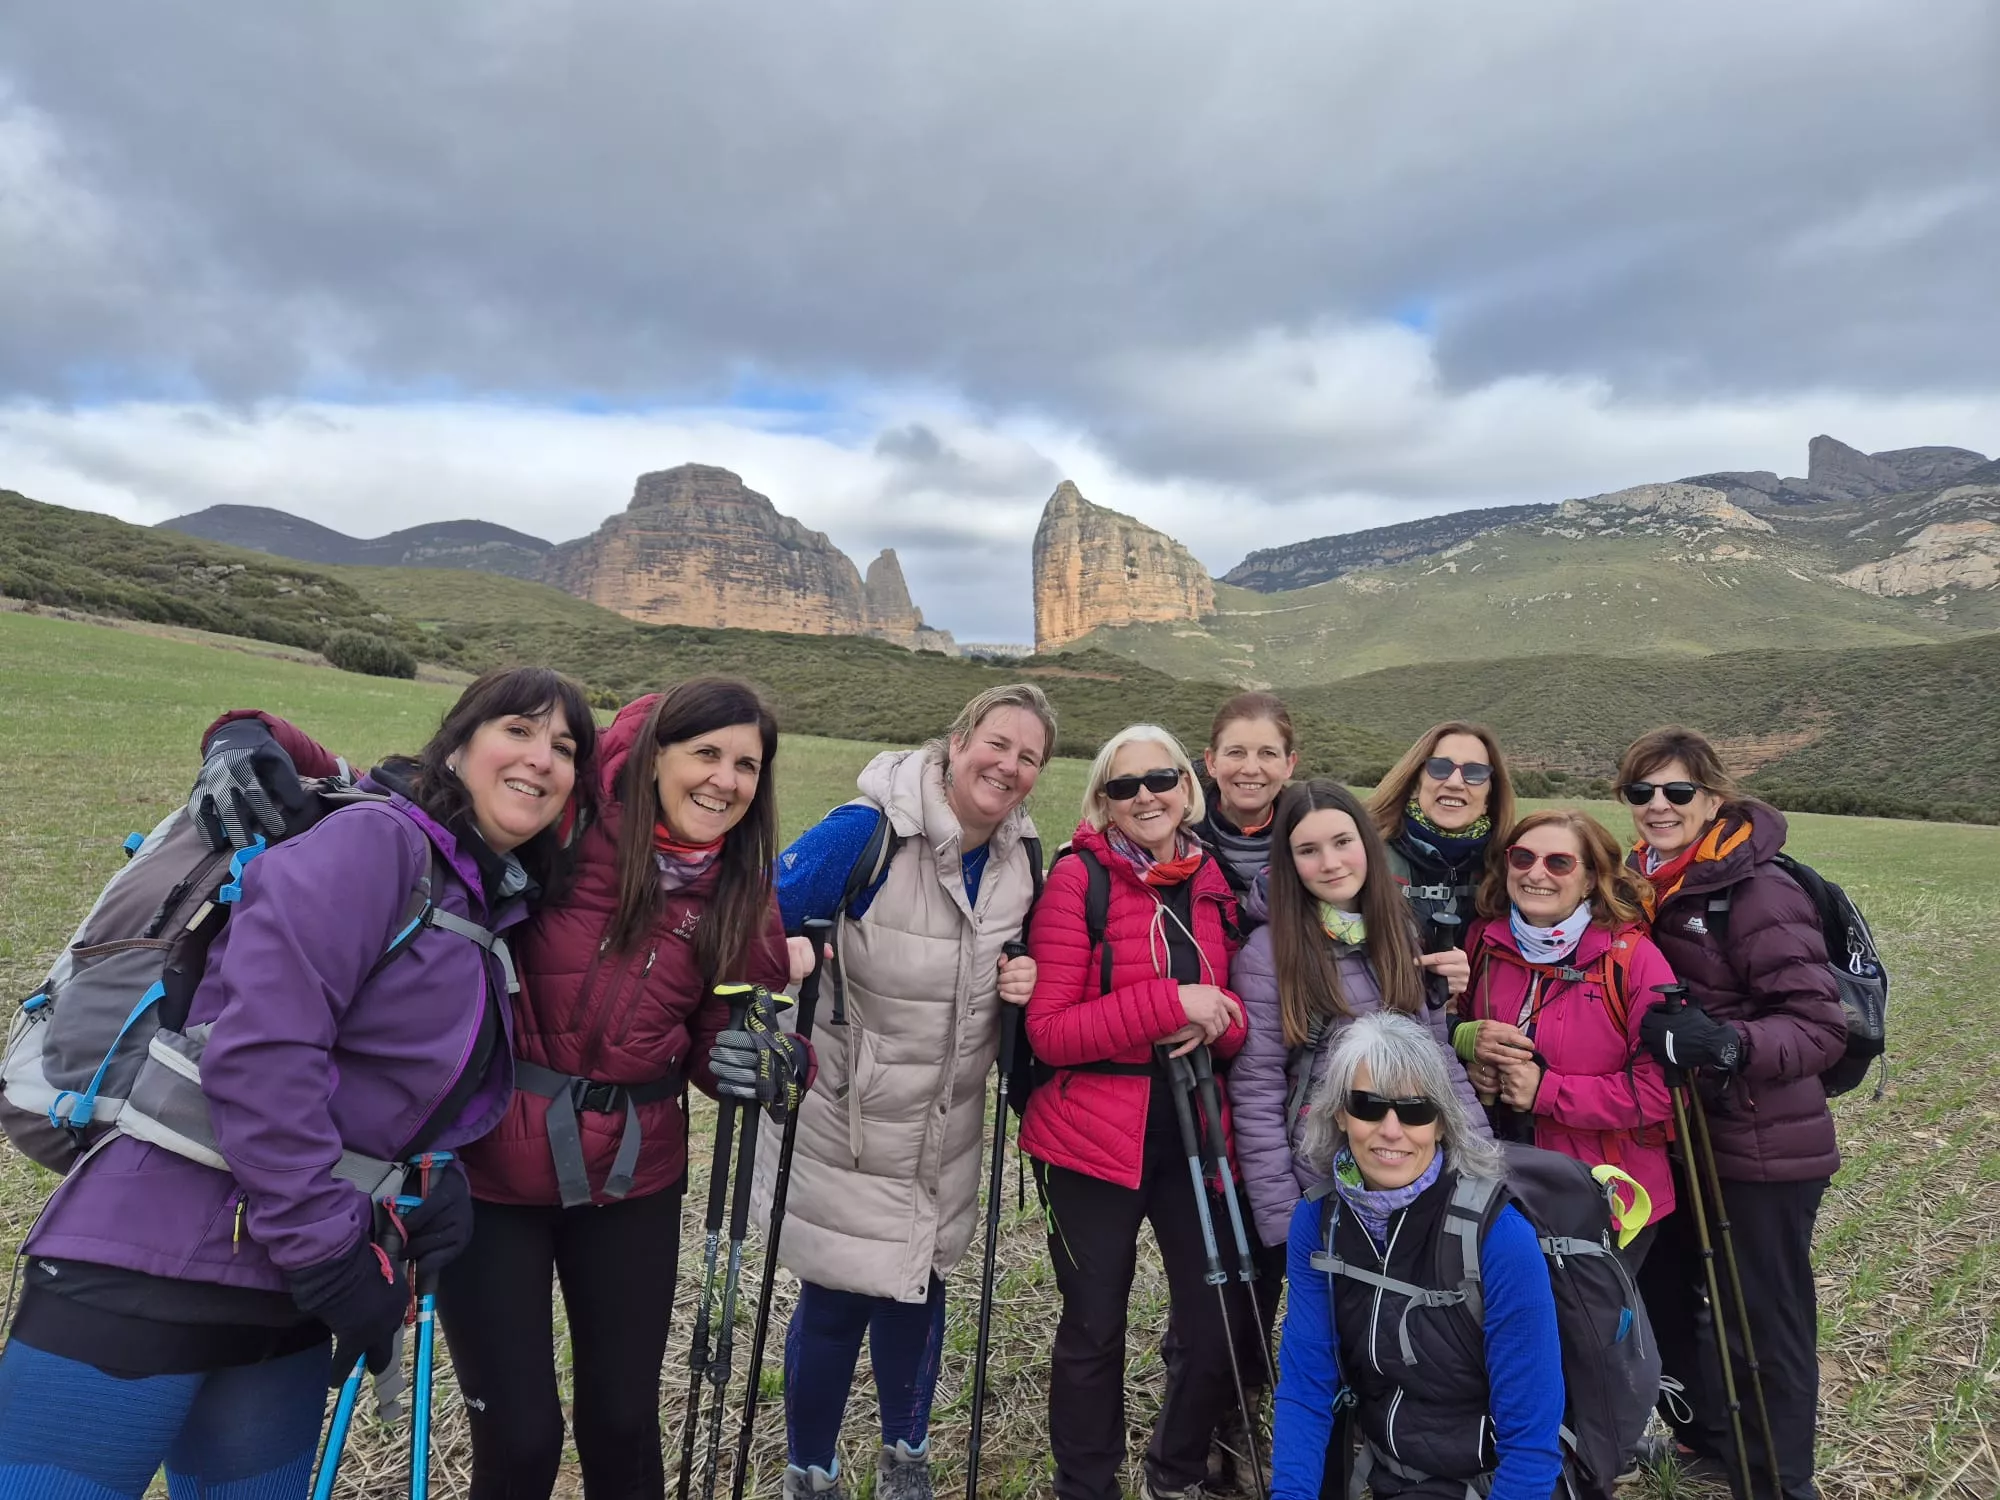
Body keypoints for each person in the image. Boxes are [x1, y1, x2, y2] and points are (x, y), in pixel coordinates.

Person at [183, 677, 810, 1500]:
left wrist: (774, 1062)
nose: (725, 780)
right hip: (487, 1175)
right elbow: (401, 784)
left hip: (635, 1178)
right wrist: (244, 730)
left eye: (747, 765)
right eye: (706, 754)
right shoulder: (564, 813)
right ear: (656, 754)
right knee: (520, 1436)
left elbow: (731, 1030)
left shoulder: (741, 885)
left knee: (623, 1426)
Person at [0, 667, 596, 1500]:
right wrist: (328, 1251)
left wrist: (427, 1183)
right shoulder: (379, 844)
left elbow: (389, 1088)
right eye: (519, 730)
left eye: (566, 747)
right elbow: (263, 1052)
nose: (542, 758)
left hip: (282, 1287)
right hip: (154, 1259)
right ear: (458, 744)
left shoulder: (477, 899)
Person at [762, 684, 1056, 1500]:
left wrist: (1025, 977)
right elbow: (755, 919)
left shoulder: (1020, 861)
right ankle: (810, 1474)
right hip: (847, 1121)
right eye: (996, 744)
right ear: (957, 742)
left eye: (1028, 756)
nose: (1008, 765)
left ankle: (907, 1457)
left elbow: (1018, 968)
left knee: (918, 1295)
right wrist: (782, 959)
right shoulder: (865, 834)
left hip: (946, 1126)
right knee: (834, 1302)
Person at [1018, 723, 1252, 1500]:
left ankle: (1175, 1469)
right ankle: (1086, 1484)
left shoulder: (1214, 879)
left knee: (1217, 1320)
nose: (1145, 796)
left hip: (1194, 1133)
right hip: (1089, 1140)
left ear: (1189, 786)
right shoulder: (1077, 882)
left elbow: (1239, 1010)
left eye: (1161, 779)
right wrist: (1166, 1003)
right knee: (1093, 1327)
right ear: (1104, 803)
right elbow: (1049, 1033)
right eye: (1125, 787)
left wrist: (1219, 1015)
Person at [1619, 728, 1845, 1500]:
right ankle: (1708, 1441)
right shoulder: (1643, 883)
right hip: (1677, 1135)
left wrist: (1724, 1044)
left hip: (1762, 1144)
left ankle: (1781, 1482)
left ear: (1713, 799)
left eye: (1677, 792)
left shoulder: (1756, 890)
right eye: (1641, 792)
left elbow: (1819, 1025)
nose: (1658, 806)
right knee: (1668, 1291)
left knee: (1765, 1315)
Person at [1270, 1012, 1565, 1500]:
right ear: (1340, 1114)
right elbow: (1306, 1387)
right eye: (1368, 1105)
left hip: (1496, 1483)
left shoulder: (1499, 1238)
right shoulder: (1319, 1222)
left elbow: (1531, 1444)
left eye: (1414, 1109)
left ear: (1442, 1123)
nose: (1391, 1130)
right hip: (1386, 1474)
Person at [1231, 778, 1487, 1283]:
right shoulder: (1268, 953)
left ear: (1367, 845)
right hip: (1325, 1177)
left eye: (1343, 842)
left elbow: (1439, 1061)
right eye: (1309, 850)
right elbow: (1257, 1088)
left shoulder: (1402, 930)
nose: (1330, 863)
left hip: (1410, 1163)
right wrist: (1286, 1219)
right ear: (1289, 862)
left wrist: (1482, 1164)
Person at [1457, 808, 1677, 1268]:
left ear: (1592, 879)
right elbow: (1441, 1029)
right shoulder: (1483, 943)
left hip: (1602, 1195)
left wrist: (1546, 1092)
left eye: (1559, 863)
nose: (1536, 874)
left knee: (1579, 1337)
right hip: (1495, 1182)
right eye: (1522, 858)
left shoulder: (1634, 960)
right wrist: (1466, 1046)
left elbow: (1660, 1094)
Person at [1365, 721, 1518, 1001]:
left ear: (1489, 796)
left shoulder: (1512, 869)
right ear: (1416, 781)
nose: (1455, 782)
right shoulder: (1364, 853)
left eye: (1474, 773)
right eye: (1440, 767)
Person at [1195, 690, 1298, 910]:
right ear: (1211, 762)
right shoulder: (1177, 837)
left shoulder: (1316, 839)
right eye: (1236, 752)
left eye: (1268, 753)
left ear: (1289, 764)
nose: (1251, 769)